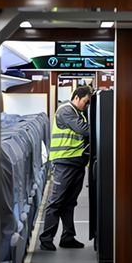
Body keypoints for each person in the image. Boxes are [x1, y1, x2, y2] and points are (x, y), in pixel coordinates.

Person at [39, 86, 92, 250]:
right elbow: (82, 130)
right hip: (64, 163)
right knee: (56, 202)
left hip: (77, 163)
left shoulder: (79, 113)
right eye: (86, 102)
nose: (87, 106)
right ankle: (46, 239)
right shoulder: (66, 110)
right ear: (76, 97)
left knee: (70, 203)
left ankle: (68, 237)